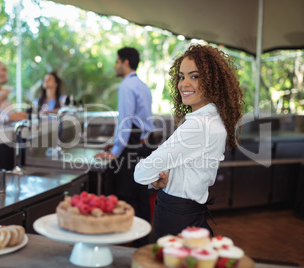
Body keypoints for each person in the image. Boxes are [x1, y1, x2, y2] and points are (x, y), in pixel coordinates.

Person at [134, 44, 244, 241]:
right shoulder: (213, 120)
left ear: (212, 81)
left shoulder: (198, 126)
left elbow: (140, 173)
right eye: (182, 76)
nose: (184, 84)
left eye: (194, 76)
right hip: (187, 215)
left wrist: (156, 167)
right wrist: (162, 175)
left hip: (176, 220)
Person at [94, 47, 155, 245]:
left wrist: (115, 152)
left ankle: (131, 244)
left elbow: (127, 121)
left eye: (117, 61)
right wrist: (116, 143)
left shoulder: (126, 86)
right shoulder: (142, 85)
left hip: (132, 148)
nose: (115, 65)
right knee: (140, 195)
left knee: (128, 197)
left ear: (125, 62)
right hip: (144, 144)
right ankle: (143, 242)